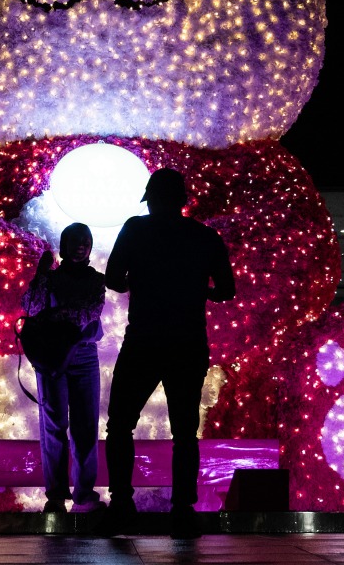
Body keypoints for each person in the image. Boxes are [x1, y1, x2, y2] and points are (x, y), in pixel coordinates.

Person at [96, 167, 235, 540]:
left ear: (150, 199)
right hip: (188, 342)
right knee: (185, 431)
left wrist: (139, 283)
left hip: (143, 339)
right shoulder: (204, 237)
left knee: (120, 424)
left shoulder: (136, 229)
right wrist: (195, 291)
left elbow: (112, 279)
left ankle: (122, 503)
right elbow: (226, 290)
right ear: (183, 200)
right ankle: (182, 511)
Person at [21, 222, 106, 514]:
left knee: (85, 425)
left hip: (82, 355)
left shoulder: (97, 281)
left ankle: (83, 493)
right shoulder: (51, 278)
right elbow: (31, 307)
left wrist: (54, 315)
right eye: (75, 240)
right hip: (52, 355)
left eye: (85, 240)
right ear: (64, 244)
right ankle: (56, 495)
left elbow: (88, 313)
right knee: (54, 424)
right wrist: (42, 274)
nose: (80, 245)